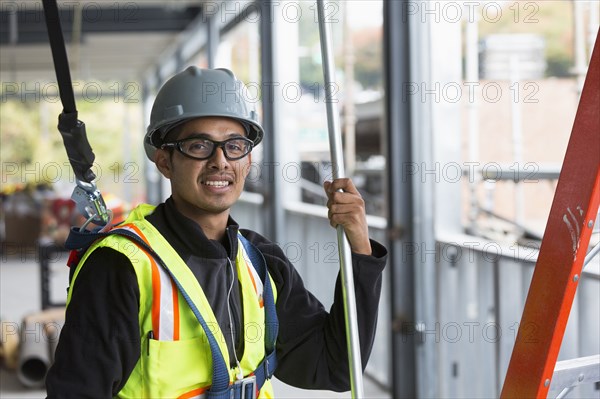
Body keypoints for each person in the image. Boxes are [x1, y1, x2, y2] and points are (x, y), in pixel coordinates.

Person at [46, 67, 387, 398]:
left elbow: (335, 366)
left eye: (234, 146)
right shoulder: (120, 266)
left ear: (247, 162)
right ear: (165, 161)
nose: (220, 161)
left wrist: (359, 246)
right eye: (199, 145)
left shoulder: (260, 262)